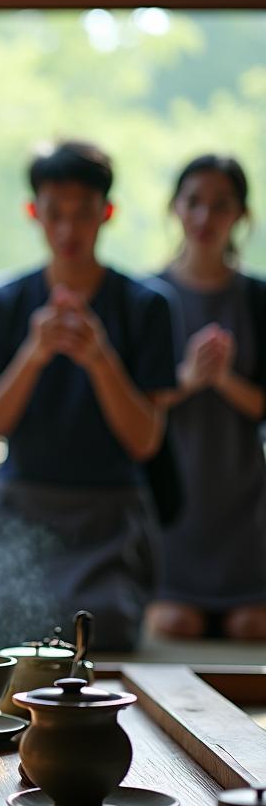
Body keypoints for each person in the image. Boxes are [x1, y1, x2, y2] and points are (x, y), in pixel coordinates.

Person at [0, 140, 177, 652]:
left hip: (111, 509)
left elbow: (145, 441)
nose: (67, 230)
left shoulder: (147, 307)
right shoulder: (1, 302)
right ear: (34, 212)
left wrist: (100, 358)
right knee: (4, 627)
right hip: (21, 506)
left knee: (104, 631)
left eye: (83, 214)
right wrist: (33, 354)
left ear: (107, 213)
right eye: (54, 213)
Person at [147, 155, 266, 641]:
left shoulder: (257, 298)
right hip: (171, 506)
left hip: (246, 506)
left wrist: (223, 378)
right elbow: (136, 403)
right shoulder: (147, 295)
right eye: (193, 202)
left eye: (220, 205)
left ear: (241, 215)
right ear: (175, 207)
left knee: (250, 626)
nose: (204, 217)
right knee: (175, 625)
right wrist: (191, 378)